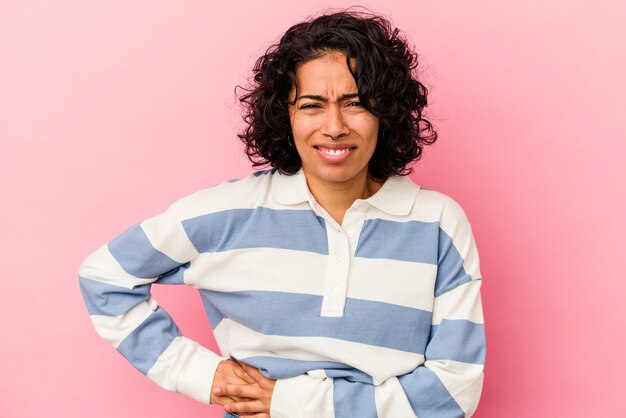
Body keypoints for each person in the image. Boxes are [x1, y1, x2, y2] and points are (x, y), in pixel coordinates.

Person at [78, 8, 485, 418]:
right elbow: (104, 277)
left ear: (386, 111)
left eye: (355, 103)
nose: (334, 126)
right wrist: (200, 374)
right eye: (311, 105)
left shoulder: (437, 223)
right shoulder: (229, 214)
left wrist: (291, 403)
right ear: (284, 114)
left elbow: (454, 392)